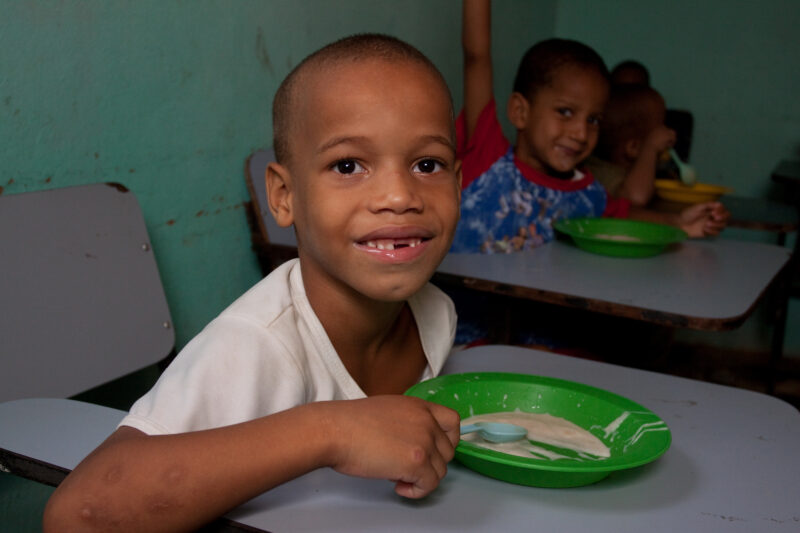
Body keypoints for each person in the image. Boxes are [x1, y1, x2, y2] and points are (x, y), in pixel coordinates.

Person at [43, 34, 463, 532]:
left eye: (427, 165)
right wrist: (334, 431)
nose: (398, 195)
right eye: (348, 166)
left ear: (458, 183)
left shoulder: (435, 313)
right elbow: (78, 517)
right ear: (284, 197)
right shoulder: (255, 346)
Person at [450, 0, 728, 254]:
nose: (581, 134)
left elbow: (623, 215)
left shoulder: (585, 192)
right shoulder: (488, 155)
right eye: (565, 112)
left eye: (593, 120)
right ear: (520, 112)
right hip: (453, 305)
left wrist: (679, 222)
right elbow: (477, 55)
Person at [587, 83, 676, 205]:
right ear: (633, 147)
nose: (667, 132)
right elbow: (635, 199)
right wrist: (651, 148)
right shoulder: (604, 174)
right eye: (660, 128)